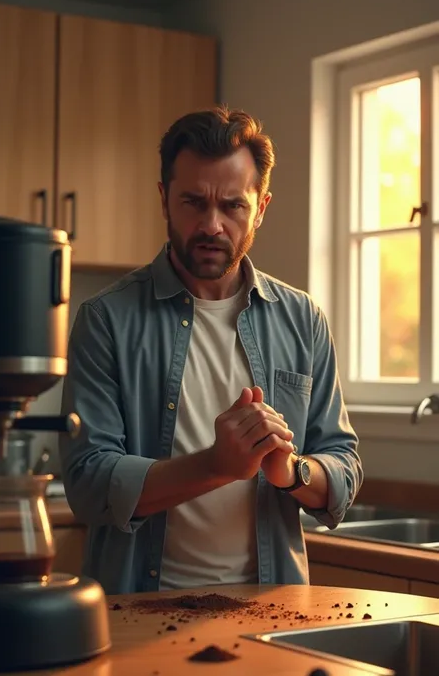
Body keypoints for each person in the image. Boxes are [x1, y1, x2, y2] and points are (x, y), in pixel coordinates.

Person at [59, 105, 363, 595]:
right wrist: (217, 466)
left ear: (261, 207)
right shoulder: (106, 320)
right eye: (194, 202)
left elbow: (343, 464)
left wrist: (292, 471)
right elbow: (89, 483)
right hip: (142, 608)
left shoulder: (303, 319)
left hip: (272, 609)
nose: (212, 225)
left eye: (233, 206)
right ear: (164, 200)